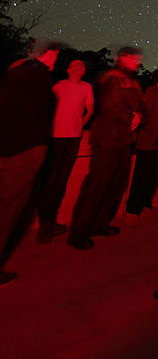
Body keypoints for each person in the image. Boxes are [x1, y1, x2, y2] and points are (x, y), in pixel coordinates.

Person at [67, 47, 146, 250]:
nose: (137, 61)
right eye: (134, 58)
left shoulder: (133, 80)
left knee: (116, 185)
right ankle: (79, 232)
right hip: (108, 138)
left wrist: (139, 117)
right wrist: (132, 118)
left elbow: (141, 104)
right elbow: (111, 105)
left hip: (124, 139)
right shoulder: (112, 77)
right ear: (123, 58)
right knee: (96, 186)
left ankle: (99, 223)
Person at [0, 39, 59, 288]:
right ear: (47, 55)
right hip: (25, 150)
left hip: (7, 147)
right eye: (55, 55)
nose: (56, 60)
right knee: (8, 208)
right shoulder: (40, 76)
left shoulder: (15, 72)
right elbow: (38, 111)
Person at [36, 59, 95, 244]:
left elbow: (90, 109)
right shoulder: (59, 87)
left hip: (73, 139)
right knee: (50, 180)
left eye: (83, 65)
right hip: (55, 138)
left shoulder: (87, 87)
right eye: (77, 64)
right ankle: (45, 223)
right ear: (70, 70)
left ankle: (51, 221)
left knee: (62, 181)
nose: (81, 66)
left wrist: (80, 125)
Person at [124, 68, 158, 226]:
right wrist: (156, 135)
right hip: (148, 143)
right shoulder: (151, 93)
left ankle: (144, 203)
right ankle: (131, 210)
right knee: (141, 177)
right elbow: (145, 116)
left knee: (154, 176)